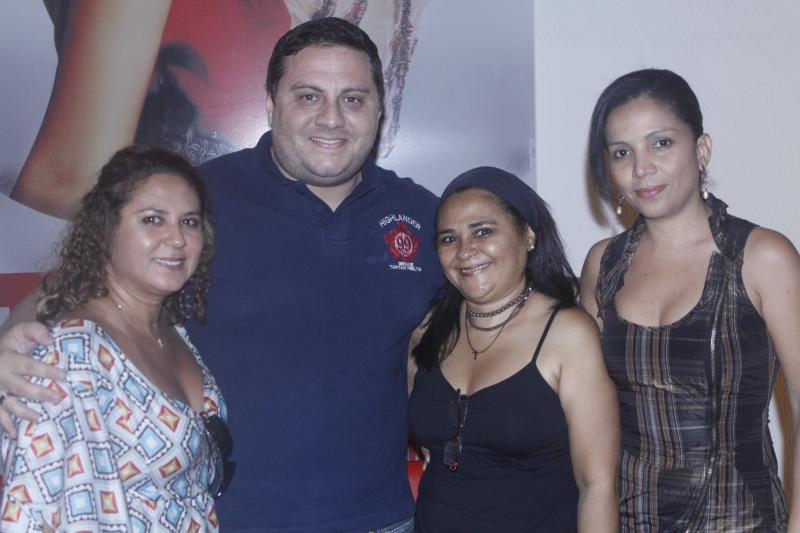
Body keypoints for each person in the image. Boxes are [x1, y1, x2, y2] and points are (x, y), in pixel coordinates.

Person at [0, 18, 442, 532]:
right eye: (308, 96)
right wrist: (12, 343)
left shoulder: (423, 216)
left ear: (379, 109)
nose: (331, 118)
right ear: (271, 104)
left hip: (382, 520)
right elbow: (69, 282)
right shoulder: (199, 202)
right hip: (229, 520)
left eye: (353, 99)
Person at [580, 68, 800, 531]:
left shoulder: (763, 257)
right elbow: (590, 418)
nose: (641, 168)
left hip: (743, 521)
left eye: (660, 143)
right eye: (622, 152)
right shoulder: (603, 265)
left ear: (701, 150)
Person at [0, 145, 232, 531]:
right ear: (106, 229)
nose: (177, 238)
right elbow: (32, 510)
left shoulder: (172, 330)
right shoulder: (72, 353)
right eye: (153, 219)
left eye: (189, 222)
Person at [408, 167, 619, 532]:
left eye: (483, 231)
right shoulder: (427, 331)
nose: (465, 251)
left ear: (528, 235)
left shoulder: (568, 335)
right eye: (449, 238)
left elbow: (597, 486)